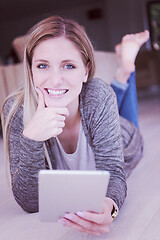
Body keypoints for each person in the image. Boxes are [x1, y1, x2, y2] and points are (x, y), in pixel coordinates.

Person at [1, 16, 148, 236]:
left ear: (86, 70)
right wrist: (31, 138)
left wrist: (110, 207)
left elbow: (114, 174)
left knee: (115, 109)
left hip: (125, 135)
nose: (55, 80)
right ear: (30, 70)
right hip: (91, 104)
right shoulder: (16, 110)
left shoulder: (97, 95)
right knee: (98, 99)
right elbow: (30, 202)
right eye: (42, 65)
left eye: (68, 66)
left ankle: (126, 68)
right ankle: (122, 70)